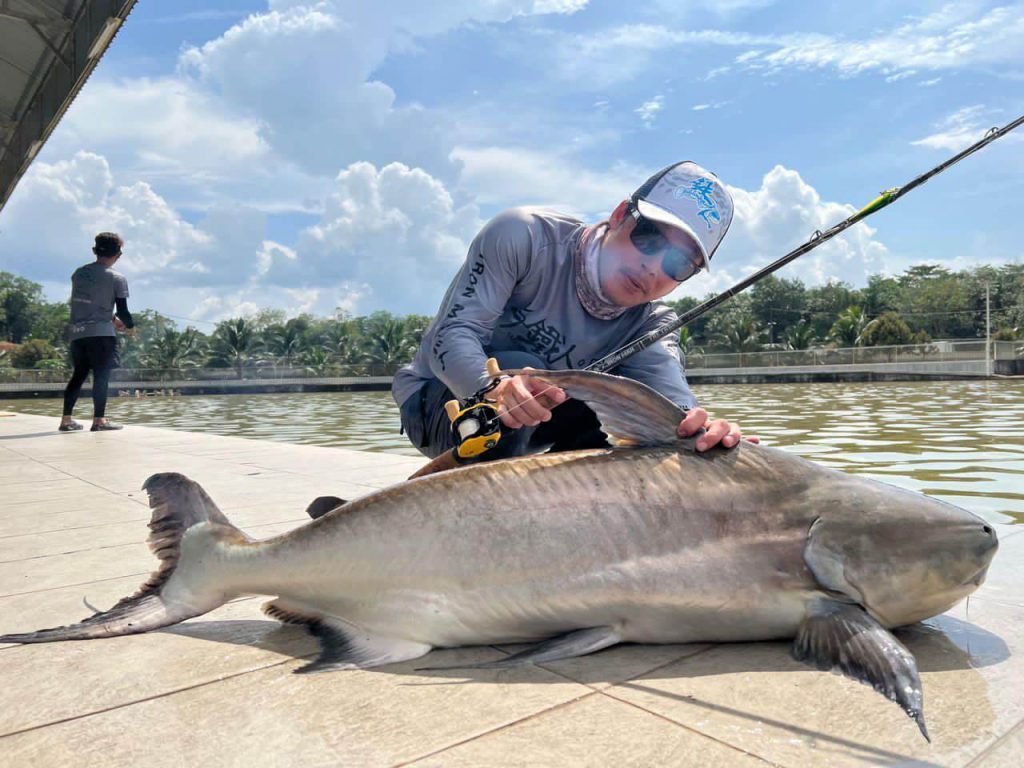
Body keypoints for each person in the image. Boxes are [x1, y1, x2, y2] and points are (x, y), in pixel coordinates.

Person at [393, 161, 756, 462]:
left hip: (536, 422)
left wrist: (705, 434)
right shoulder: (523, 236)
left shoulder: (654, 325)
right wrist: (497, 388)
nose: (654, 269)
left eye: (678, 264)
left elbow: (672, 407)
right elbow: (451, 336)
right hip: (438, 405)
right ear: (618, 215)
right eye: (649, 237)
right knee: (523, 365)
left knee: (615, 402)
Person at [58, 232, 136, 432]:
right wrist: (130, 327)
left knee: (79, 374)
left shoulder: (78, 274)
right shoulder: (117, 278)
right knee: (101, 376)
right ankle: (99, 420)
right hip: (101, 336)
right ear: (118, 254)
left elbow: (90, 304)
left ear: (95, 251)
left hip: (78, 334)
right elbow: (123, 311)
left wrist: (113, 321)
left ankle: (66, 420)